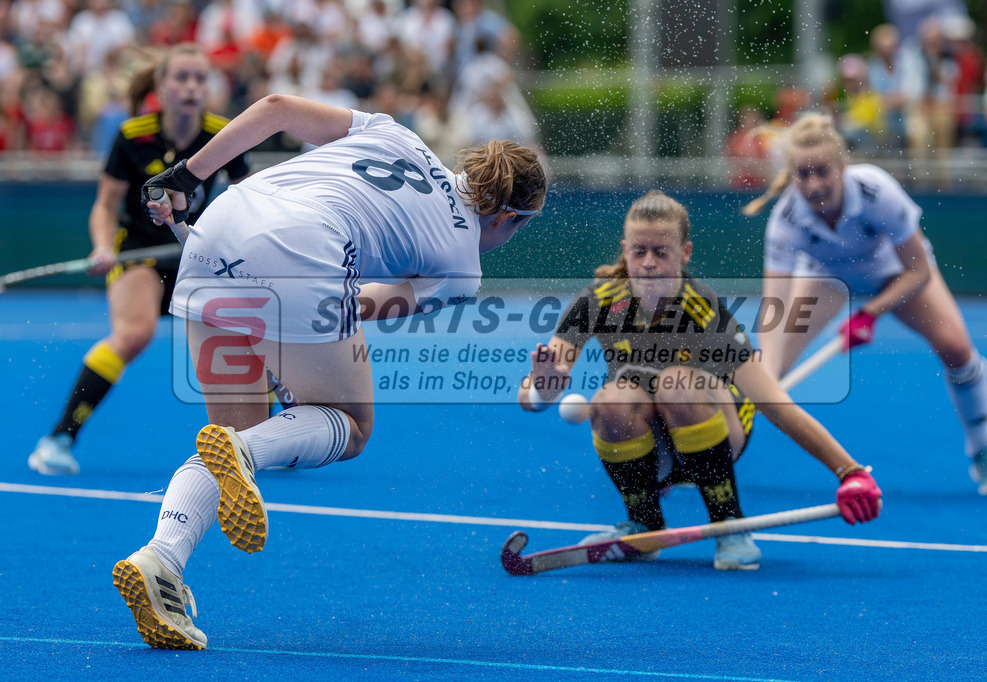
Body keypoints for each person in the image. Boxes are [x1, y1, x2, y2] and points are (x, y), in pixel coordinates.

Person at [112, 93, 547, 650]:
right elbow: (359, 306)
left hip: (217, 226)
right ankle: (244, 453)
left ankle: (160, 560)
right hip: (305, 248)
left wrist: (186, 175)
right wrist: (291, 343)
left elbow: (275, 108)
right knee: (350, 425)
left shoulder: (396, 133)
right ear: (510, 217)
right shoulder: (464, 269)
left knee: (232, 439)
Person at [517, 190, 882, 572]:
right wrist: (542, 391)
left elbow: (776, 405)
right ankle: (643, 526)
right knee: (610, 400)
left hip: (720, 433)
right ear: (625, 250)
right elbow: (529, 395)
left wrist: (849, 471)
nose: (649, 263)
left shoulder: (704, 311)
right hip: (652, 447)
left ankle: (729, 523)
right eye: (639, 251)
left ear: (685, 253)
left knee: (677, 384)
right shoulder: (599, 300)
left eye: (661, 252)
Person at [743, 112, 987, 496]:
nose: (814, 184)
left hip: (894, 272)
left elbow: (918, 271)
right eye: (803, 174)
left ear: (842, 166)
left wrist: (869, 314)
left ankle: (985, 450)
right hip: (825, 278)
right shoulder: (786, 219)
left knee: (956, 349)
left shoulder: (876, 191)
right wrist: (768, 379)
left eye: (822, 171)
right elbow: (775, 308)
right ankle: (710, 457)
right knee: (762, 374)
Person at [27, 44, 250, 475]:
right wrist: (101, 246)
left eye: (199, 78)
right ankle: (58, 438)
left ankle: (270, 436)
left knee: (252, 329)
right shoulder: (133, 136)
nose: (191, 86)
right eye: (181, 77)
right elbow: (105, 205)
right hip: (138, 251)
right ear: (161, 88)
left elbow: (248, 195)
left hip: (194, 251)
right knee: (134, 334)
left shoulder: (223, 134)